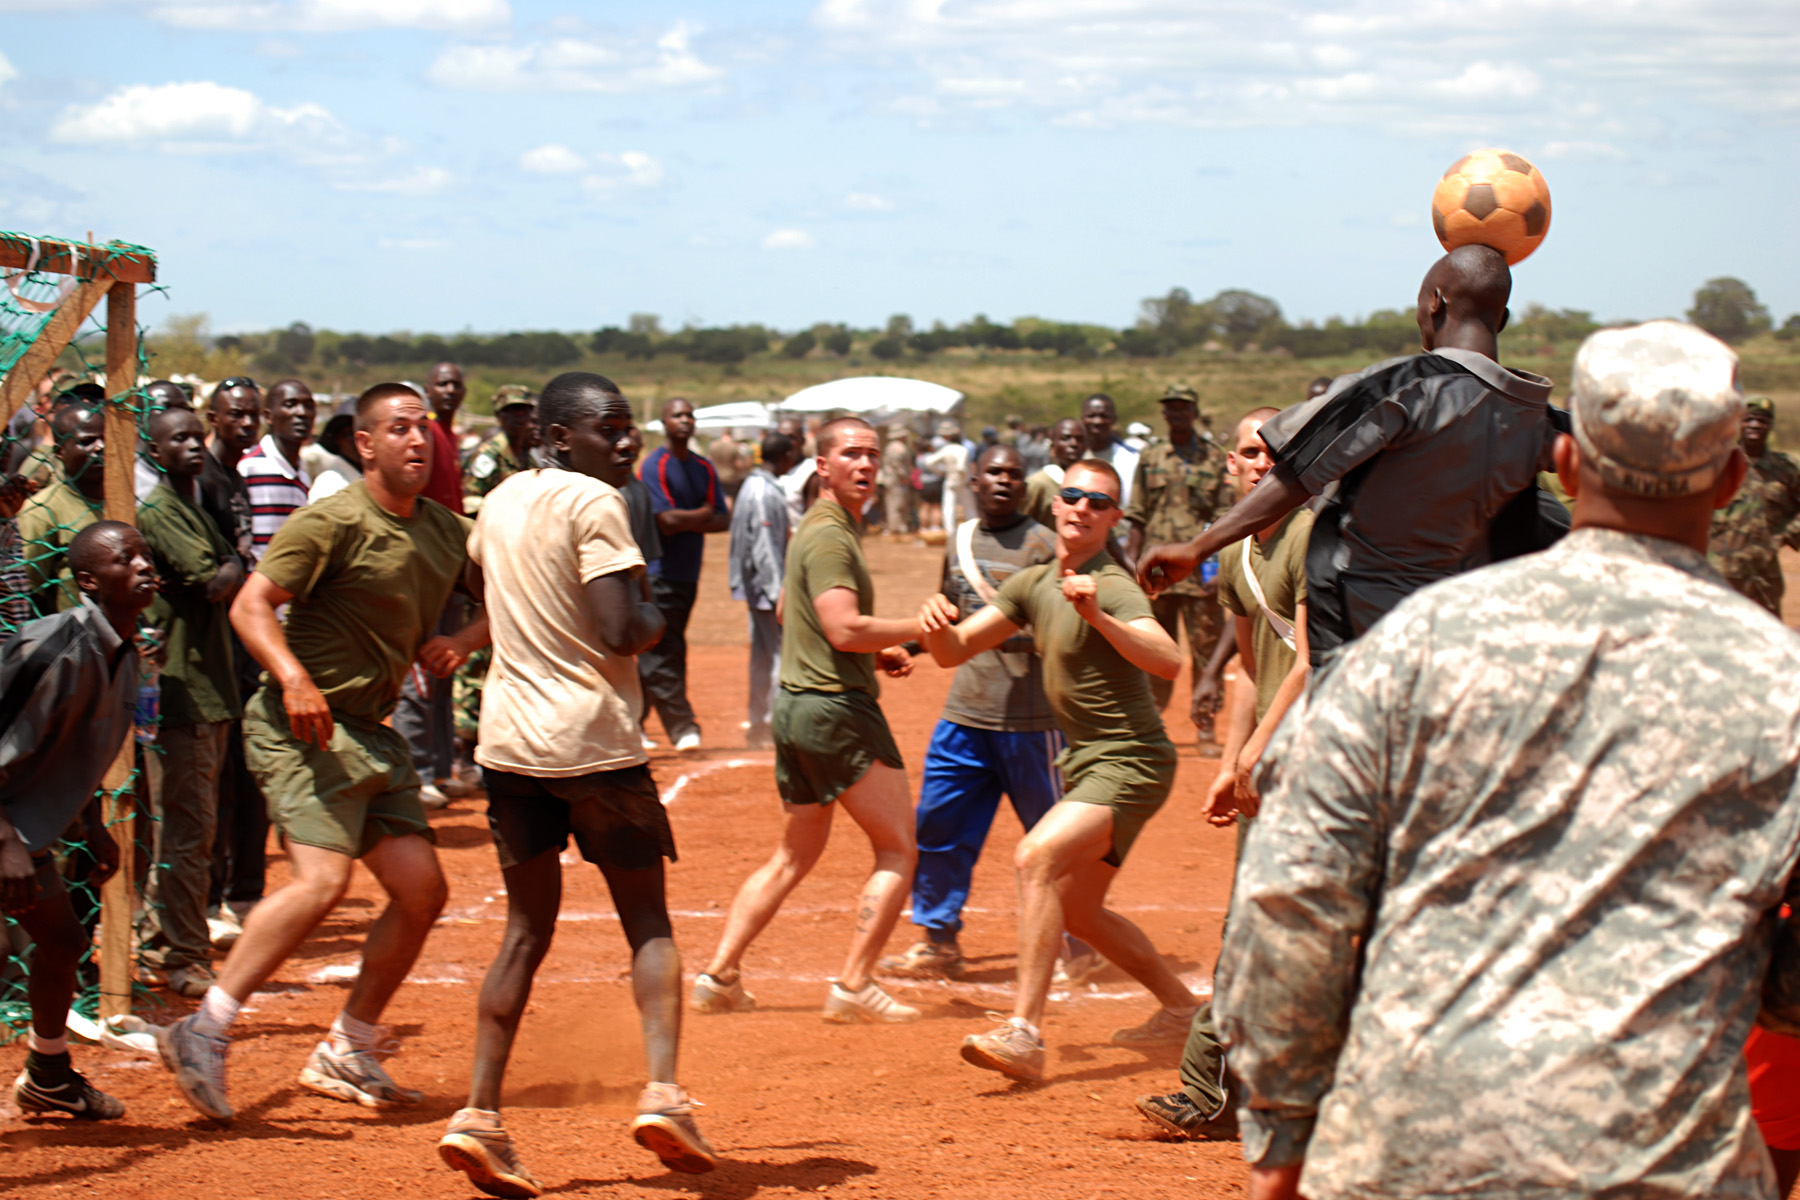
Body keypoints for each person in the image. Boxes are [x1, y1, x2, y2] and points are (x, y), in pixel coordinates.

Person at [1215, 320, 1800, 1200]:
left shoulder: (1416, 641)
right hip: (1659, 1167)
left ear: (1564, 462)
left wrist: (1284, 1130)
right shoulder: (1780, 688)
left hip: (1402, 1159)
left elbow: (1291, 901)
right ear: (1730, 479)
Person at [157, 382, 485, 1122]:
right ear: (364, 444)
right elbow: (249, 605)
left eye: (423, 429)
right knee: (320, 881)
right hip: (300, 724)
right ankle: (202, 1028)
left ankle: (349, 1045)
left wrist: (461, 640)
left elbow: (509, 591)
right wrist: (294, 677)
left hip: (370, 732)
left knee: (422, 889)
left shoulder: (444, 530)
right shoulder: (331, 520)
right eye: (398, 428)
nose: (416, 440)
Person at [439, 372, 718, 1196]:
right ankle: (664, 1095)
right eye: (610, 429)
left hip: (510, 746)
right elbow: (619, 633)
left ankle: (480, 1116)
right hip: (593, 742)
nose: (626, 442)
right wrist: (655, 616)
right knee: (648, 923)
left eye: (628, 427)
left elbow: (483, 586)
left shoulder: (499, 503)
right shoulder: (596, 504)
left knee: (525, 931)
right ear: (560, 436)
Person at [1137, 245, 1561, 665]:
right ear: (1502, 319)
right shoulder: (1538, 417)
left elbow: (1296, 473)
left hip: (1367, 641)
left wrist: (1197, 547)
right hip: (1468, 647)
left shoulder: (1404, 385)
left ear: (1434, 302)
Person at [918, 458, 1198, 1081]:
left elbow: (1171, 661)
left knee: (1034, 858)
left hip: (1132, 761)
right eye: (1072, 495)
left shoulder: (1113, 583)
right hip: (1087, 763)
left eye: (1097, 503)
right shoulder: (1033, 583)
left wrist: (1100, 614)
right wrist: (933, 626)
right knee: (1079, 912)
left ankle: (1024, 1032)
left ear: (1113, 519)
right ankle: (1182, 1009)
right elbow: (956, 650)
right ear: (1055, 504)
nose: (1081, 508)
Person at [693, 416, 923, 1024]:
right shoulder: (828, 536)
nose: (865, 465)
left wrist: (878, 650)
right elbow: (842, 626)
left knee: (793, 856)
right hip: (834, 710)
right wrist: (920, 627)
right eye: (851, 454)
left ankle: (719, 975)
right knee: (899, 848)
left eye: (872, 454)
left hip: (797, 707)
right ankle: (853, 985)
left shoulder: (828, 528)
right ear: (822, 466)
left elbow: (813, 625)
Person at [1133, 406, 1311, 1141]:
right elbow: (1247, 668)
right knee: (1262, 921)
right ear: (1230, 466)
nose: (1261, 461)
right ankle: (1228, 1088)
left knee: (1275, 924)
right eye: (1249, 452)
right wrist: (1233, 761)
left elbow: (1309, 659)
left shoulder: (1312, 537)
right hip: (1274, 755)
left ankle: (1224, 1087)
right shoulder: (1236, 555)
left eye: (1276, 451)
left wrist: (1260, 749)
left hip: (1320, 753)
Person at [879, 445, 1096, 983]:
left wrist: (1010, 636)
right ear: (973, 480)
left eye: (1013, 475)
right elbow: (946, 615)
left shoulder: (1048, 545)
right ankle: (938, 941)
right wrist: (913, 647)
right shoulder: (958, 541)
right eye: (993, 472)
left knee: (1054, 839)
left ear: (1025, 487)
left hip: (1035, 722)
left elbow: (1068, 623)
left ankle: (1080, 943)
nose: (1003, 481)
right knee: (939, 826)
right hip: (966, 715)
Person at [2, 521, 155, 1121]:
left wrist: (90, 826)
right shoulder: (52, 646)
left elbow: (76, 750)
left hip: (18, 827)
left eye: (145, 556)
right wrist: (6, 841)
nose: (143, 566)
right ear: (89, 581)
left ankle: (48, 1075)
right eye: (126, 559)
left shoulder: (124, 652)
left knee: (64, 941)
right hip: (4, 829)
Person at [135, 408, 246, 998]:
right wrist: (234, 564)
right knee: (187, 828)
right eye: (177, 439)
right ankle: (181, 953)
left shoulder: (192, 504)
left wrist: (233, 566)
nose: (193, 447)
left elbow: (228, 573)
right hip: (183, 689)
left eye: (195, 436)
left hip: (206, 685)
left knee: (190, 826)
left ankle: (164, 939)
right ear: (154, 451)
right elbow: (216, 582)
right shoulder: (159, 511)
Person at [196, 378, 268, 949]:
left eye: (253, 416)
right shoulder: (205, 481)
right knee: (216, 781)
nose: (246, 425)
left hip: (243, 649)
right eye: (235, 416)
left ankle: (240, 890)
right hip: (215, 650)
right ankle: (212, 896)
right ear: (212, 418)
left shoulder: (236, 476)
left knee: (245, 774)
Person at [1123, 384, 1231, 719]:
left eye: (1183, 408)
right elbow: (1138, 516)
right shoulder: (1151, 456)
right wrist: (1132, 562)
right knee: (1155, 649)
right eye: (1170, 408)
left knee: (1206, 651)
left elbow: (1225, 519)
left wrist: (1217, 571)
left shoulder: (1214, 457)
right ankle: (1153, 722)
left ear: (1194, 413)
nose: (1176, 414)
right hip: (1157, 574)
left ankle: (1206, 724)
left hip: (1200, 573)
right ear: (1164, 413)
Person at [638, 398, 729, 752]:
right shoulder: (654, 465)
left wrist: (689, 518)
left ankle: (632, 722)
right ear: (664, 422)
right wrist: (701, 514)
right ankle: (682, 727)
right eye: (677, 415)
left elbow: (722, 519)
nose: (685, 421)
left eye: (689, 415)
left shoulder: (703, 467)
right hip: (659, 570)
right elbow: (665, 521)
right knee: (664, 647)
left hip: (688, 572)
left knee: (659, 646)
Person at [400, 365, 472, 803]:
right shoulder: (424, 433)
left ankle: (441, 769)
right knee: (421, 671)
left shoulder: (449, 435)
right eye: (441, 385)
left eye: (455, 384)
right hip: (426, 565)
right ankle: (417, 772)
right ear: (427, 392)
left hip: (451, 565)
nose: (449, 391)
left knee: (445, 665)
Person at [728, 431, 796, 749]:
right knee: (780, 654)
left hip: (757, 587)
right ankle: (772, 724)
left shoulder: (754, 486)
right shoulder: (763, 493)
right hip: (766, 589)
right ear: (784, 457)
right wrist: (778, 590)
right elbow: (765, 548)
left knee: (762, 656)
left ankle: (759, 721)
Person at [1708, 394, 1800, 618]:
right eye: (1749, 419)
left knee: (1766, 635)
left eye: (1762, 420)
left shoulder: (1785, 469)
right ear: (1738, 422)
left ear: (1770, 425)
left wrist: (1787, 533)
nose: (1755, 425)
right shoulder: (1718, 463)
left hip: (1763, 575)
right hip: (1718, 570)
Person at [18, 404, 108, 615]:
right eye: (87, 441)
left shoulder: (123, 500)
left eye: (106, 439)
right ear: (60, 452)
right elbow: (28, 594)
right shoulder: (42, 511)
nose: (100, 447)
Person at [463, 387, 539, 515]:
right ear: (499, 415)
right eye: (512, 410)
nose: (519, 415)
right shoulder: (489, 455)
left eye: (524, 410)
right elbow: (469, 500)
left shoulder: (528, 457)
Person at [1023, 418, 1086, 529]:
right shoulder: (1038, 484)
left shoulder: (1090, 482)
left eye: (1080, 439)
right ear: (1053, 445)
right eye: (1066, 438)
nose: (1074, 444)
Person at [1080, 394, 1140, 510]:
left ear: (1113, 419)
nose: (1097, 421)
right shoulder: (1074, 456)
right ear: (1082, 419)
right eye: (1091, 416)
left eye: (1104, 416)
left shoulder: (1132, 459)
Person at [878, 426, 914, 535]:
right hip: (895, 481)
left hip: (893, 480)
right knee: (896, 504)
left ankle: (896, 526)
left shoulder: (892, 446)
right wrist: (903, 477)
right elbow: (897, 465)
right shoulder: (897, 447)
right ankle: (895, 528)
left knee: (895, 504)